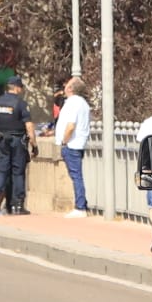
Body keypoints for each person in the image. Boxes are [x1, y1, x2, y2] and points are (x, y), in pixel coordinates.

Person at [0, 78, 34, 215]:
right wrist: (34, 144)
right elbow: (29, 125)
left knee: (2, 170)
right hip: (17, 140)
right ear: (17, 88)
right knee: (18, 172)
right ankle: (18, 204)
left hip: (2, 139)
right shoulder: (20, 103)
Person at [54, 76, 92, 218]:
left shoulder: (73, 103)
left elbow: (70, 126)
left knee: (76, 176)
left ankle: (80, 207)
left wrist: (64, 140)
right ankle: (82, 203)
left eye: (67, 85)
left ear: (70, 88)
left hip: (72, 144)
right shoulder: (82, 103)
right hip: (77, 143)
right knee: (76, 175)